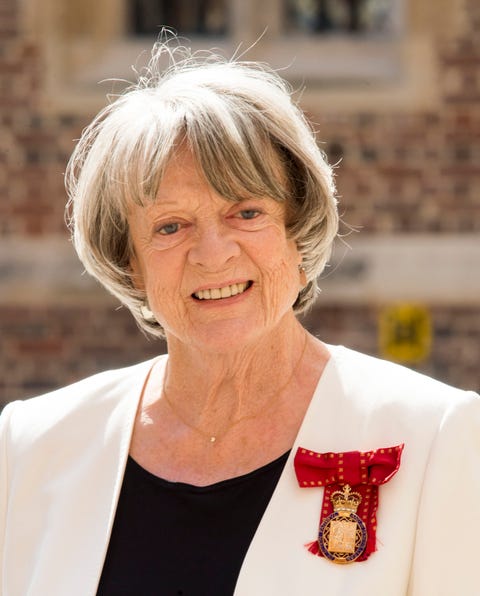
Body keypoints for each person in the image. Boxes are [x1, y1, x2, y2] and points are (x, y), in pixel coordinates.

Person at [1, 39, 479, 596]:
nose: (213, 254)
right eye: (170, 226)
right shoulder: (29, 446)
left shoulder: (436, 435)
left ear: (296, 233)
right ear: (129, 261)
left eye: (246, 212)